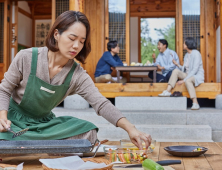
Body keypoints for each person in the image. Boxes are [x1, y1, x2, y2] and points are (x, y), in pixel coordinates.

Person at [0, 11, 151, 149]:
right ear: (56, 34)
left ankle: (24, 145)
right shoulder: (26, 57)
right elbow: (4, 90)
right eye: (72, 38)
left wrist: (131, 128)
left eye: (81, 41)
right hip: (12, 122)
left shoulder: (77, 74)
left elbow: (101, 103)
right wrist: (2, 116)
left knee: (88, 132)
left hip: (43, 125)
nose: (76, 46)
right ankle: (36, 145)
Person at [158, 37, 204, 110]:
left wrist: (184, 80)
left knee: (188, 81)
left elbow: (195, 70)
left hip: (196, 76)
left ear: (188, 44)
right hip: (188, 74)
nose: (183, 44)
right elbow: (184, 69)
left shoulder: (196, 53)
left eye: (184, 43)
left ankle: (195, 103)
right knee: (175, 71)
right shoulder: (186, 55)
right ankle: (168, 91)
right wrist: (177, 64)